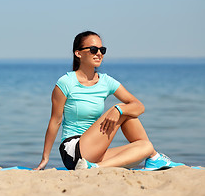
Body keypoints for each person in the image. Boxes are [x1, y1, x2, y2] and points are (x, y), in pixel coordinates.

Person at [35, 31, 184, 171]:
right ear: (78, 53)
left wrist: (118, 110)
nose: (99, 53)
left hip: (95, 153)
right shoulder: (66, 82)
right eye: (93, 49)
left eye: (102, 50)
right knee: (123, 109)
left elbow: (139, 106)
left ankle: (101, 167)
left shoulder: (106, 81)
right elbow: (55, 121)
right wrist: (45, 158)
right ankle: (154, 158)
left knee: (146, 146)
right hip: (74, 150)